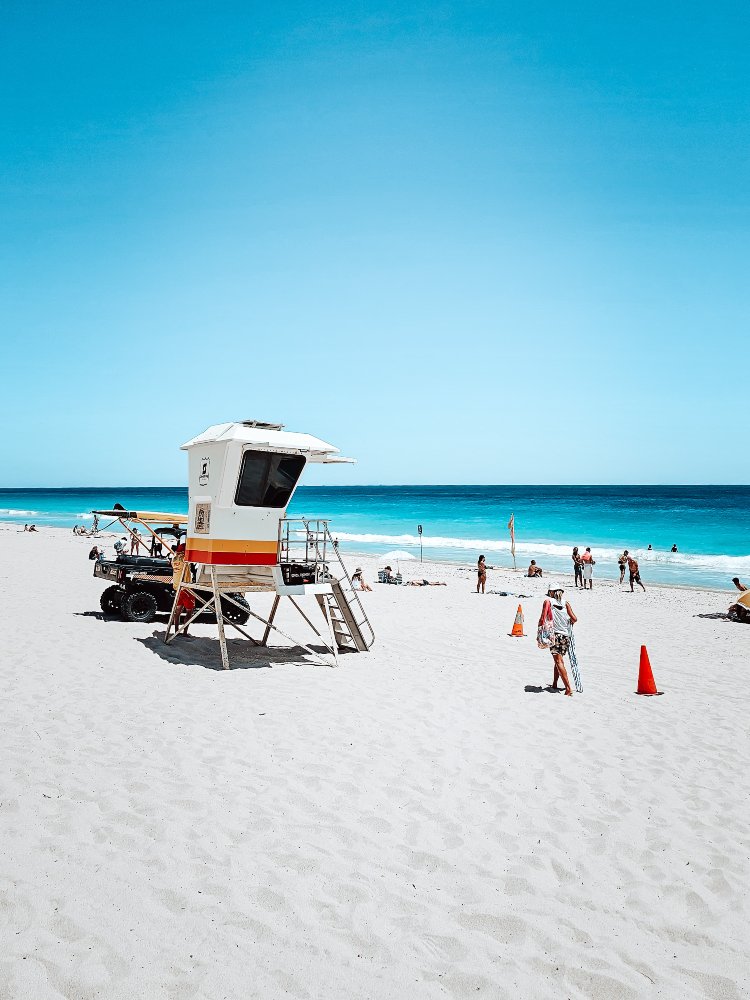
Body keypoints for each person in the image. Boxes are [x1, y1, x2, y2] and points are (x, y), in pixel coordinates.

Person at [538, 587, 577, 697]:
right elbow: (574, 619)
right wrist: (567, 622)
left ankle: (568, 689)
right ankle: (555, 684)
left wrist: (539, 632)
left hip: (555, 635)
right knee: (559, 659)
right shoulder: (566, 603)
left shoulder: (548, 601)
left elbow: (542, 618)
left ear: (551, 592)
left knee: (558, 661)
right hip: (565, 636)